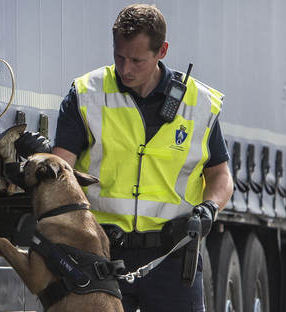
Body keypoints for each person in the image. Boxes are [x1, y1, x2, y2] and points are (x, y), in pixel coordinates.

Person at [13, 4, 234, 312]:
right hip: (100, 254)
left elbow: (220, 176)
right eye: (119, 57)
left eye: (136, 60)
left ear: (162, 51)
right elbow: (65, 166)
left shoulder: (197, 104)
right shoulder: (86, 94)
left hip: (172, 255)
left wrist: (209, 208)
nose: (126, 68)